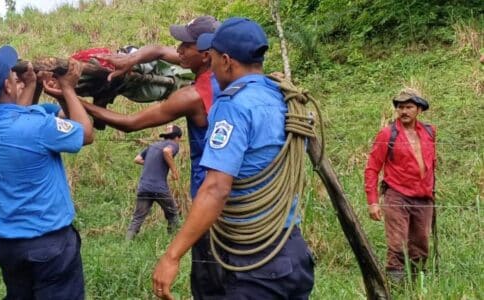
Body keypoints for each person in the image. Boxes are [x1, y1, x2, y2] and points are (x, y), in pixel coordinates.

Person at [152, 17, 315, 299]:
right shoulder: (284, 97)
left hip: (254, 261)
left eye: (212, 58)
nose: (211, 66)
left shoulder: (232, 105)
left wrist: (172, 255)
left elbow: (217, 188)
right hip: (292, 249)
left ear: (226, 60)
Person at [79, 16, 227, 299]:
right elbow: (159, 51)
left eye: (186, 45)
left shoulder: (194, 96)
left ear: (207, 54)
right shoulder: (232, 73)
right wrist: (132, 59)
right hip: (239, 201)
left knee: (211, 284)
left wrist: (80, 104)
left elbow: (131, 123)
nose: (179, 49)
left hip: (210, 201)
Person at [0, 45, 94, 299]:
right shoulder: (37, 127)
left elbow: (14, 119)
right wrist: (68, 88)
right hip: (51, 247)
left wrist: (32, 85)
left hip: (9, 249)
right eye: (12, 75)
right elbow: (85, 133)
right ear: (9, 86)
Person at [364, 88, 436, 283]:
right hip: (397, 195)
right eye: (400, 107)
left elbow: (432, 164)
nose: (404, 111)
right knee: (397, 244)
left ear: (418, 110)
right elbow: (372, 168)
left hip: (423, 197)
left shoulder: (429, 132)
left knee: (421, 245)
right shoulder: (388, 134)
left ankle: (417, 286)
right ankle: (397, 289)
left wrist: (431, 191)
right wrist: (373, 201)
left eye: (409, 107)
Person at [126, 124, 183, 240]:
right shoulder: (173, 144)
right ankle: (172, 241)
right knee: (173, 214)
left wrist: (153, 163)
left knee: (137, 218)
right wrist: (174, 171)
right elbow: (167, 152)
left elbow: (137, 159)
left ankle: (127, 244)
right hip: (159, 188)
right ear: (178, 137)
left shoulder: (153, 145)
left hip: (144, 187)